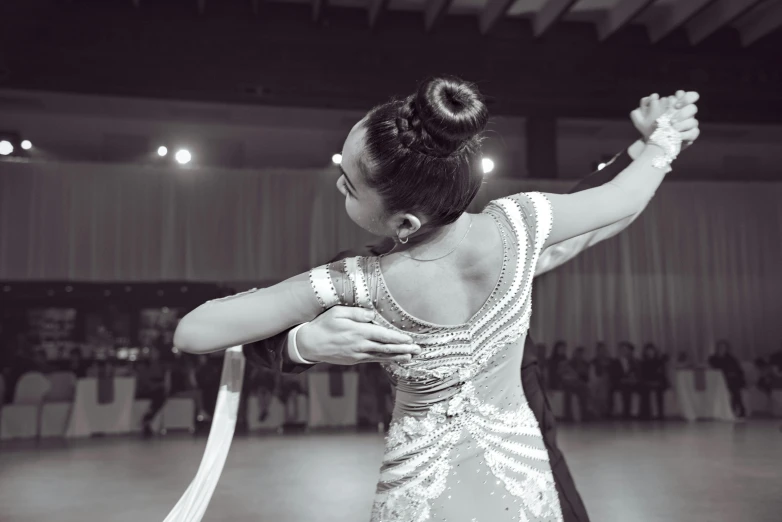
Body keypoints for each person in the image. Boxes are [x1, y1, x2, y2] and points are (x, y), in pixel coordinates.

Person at [171, 78, 700, 522]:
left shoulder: (356, 280)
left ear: (403, 222)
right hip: (522, 472)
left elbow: (193, 332)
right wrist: (663, 140)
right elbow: (619, 198)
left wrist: (304, 332)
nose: (339, 185)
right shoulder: (523, 224)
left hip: (421, 488)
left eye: (349, 184)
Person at [708, 340, 746, 419]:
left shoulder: (732, 358)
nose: (722, 349)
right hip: (717, 381)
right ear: (717, 348)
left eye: (724, 347)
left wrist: (734, 375)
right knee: (733, 388)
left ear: (727, 348)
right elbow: (713, 369)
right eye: (720, 347)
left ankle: (738, 410)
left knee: (735, 391)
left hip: (731, 380)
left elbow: (738, 370)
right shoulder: (712, 358)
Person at [638, 343, 669, 420]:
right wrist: (649, 382)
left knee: (659, 390)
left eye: (651, 351)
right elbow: (643, 375)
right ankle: (646, 414)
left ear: (655, 351)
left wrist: (657, 381)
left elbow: (661, 374)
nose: (650, 353)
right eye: (648, 351)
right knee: (644, 390)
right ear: (645, 352)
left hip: (658, 382)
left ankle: (660, 413)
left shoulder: (660, 361)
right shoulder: (643, 362)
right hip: (647, 382)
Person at [609, 341, 640, 418]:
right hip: (619, 383)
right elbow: (613, 376)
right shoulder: (614, 362)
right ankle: (626, 413)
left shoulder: (634, 361)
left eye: (626, 349)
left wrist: (634, 379)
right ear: (619, 351)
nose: (624, 351)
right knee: (626, 388)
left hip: (631, 382)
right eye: (622, 349)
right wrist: (624, 380)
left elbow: (637, 373)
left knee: (643, 387)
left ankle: (643, 413)